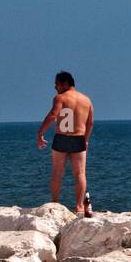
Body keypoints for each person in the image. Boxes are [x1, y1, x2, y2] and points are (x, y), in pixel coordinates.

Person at [36, 71, 93, 217]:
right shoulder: (86, 100)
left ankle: (55, 203)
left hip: (62, 137)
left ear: (65, 83)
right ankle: (80, 206)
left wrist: (40, 133)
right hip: (78, 138)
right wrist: (86, 139)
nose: (55, 87)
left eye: (57, 84)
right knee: (80, 173)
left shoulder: (60, 98)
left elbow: (53, 115)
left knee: (57, 172)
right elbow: (90, 122)